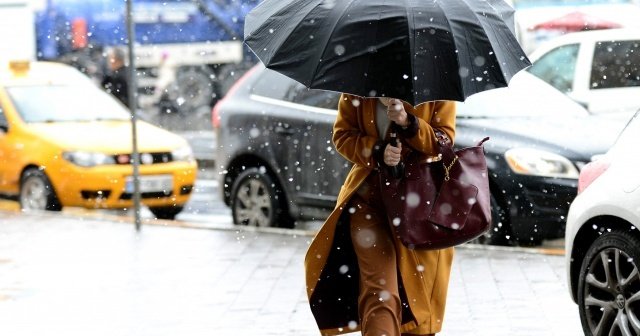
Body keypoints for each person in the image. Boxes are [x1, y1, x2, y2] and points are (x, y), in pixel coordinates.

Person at [304, 95, 457, 336]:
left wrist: (409, 123)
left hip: (419, 204)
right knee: (381, 291)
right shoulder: (358, 83)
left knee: (419, 310)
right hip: (368, 202)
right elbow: (343, 135)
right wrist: (378, 151)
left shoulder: (435, 81)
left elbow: (444, 140)